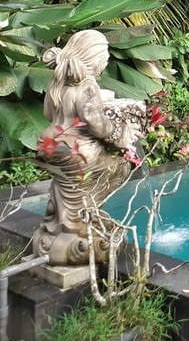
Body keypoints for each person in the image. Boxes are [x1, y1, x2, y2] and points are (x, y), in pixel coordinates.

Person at [32, 30, 145, 265]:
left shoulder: (58, 81)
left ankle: (57, 225)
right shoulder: (87, 85)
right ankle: (81, 222)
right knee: (119, 167)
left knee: (67, 183)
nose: (106, 60)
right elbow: (96, 123)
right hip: (76, 148)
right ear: (93, 58)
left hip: (50, 143)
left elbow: (47, 113)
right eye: (105, 55)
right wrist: (120, 135)